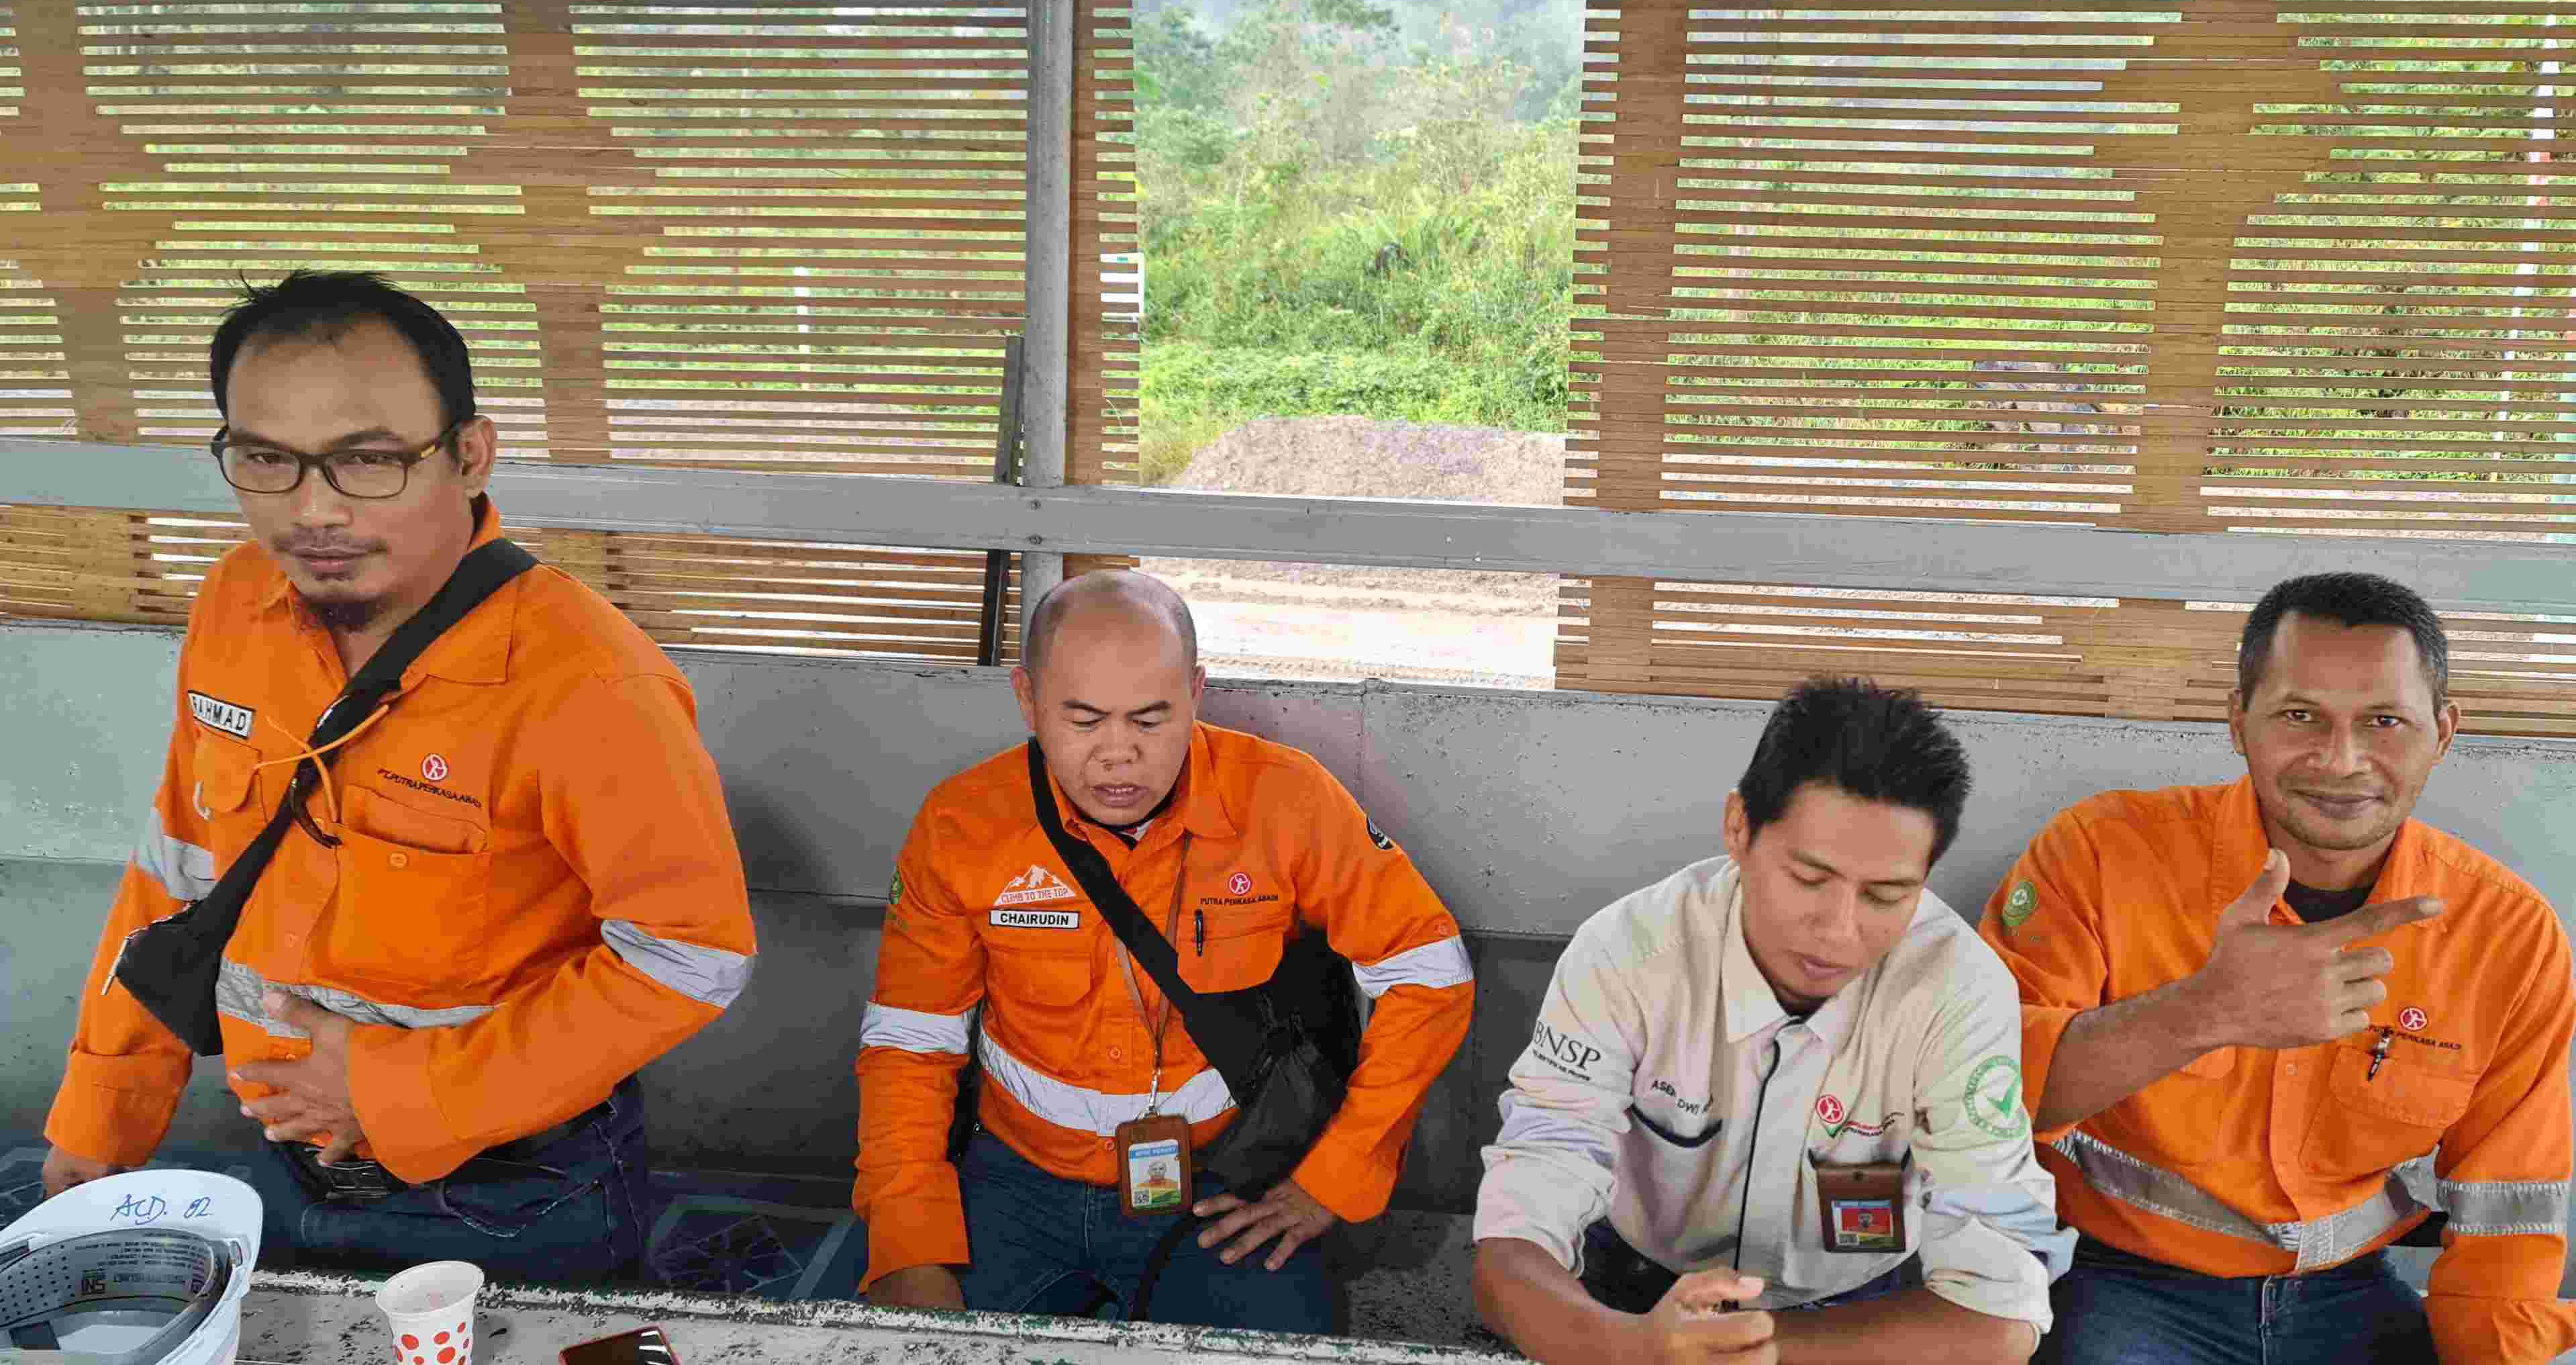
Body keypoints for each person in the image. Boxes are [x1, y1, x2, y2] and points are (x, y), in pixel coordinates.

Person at [40, 271, 758, 1283]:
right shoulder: (237, 601)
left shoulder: (589, 682)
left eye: (368, 459)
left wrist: (400, 1092)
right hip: (278, 1154)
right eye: (266, 459)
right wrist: (105, 1112)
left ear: (469, 455)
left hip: (516, 1191)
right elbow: (182, 867)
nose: (313, 510)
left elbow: (691, 956)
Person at [854, 570, 1475, 1331]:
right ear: (1027, 698)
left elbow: (1428, 971)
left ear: (1196, 693)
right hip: (1012, 1185)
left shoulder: (1284, 800)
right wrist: (909, 1235)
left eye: (1151, 719)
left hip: (1219, 1186)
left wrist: (1335, 1176)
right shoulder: (962, 825)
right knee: (892, 1342)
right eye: (1083, 721)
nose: (1119, 756)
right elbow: (910, 1041)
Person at [1980, 573, 2576, 1364]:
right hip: (2124, 1284)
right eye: (2300, 715)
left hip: (2352, 1296)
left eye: (2384, 720)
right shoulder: (2097, 852)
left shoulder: (2507, 933)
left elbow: (2508, 1218)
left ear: (2441, 732)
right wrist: (2202, 1012)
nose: (2340, 759)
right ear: (2238, 722)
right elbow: (1977, 1097)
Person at [1475, 678, 2071, 1365]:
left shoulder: (1958, 991)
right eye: (1808, 878)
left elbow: (2002, 1314)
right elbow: (1512, 1243)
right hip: (1631, 1284)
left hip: (1859, 1311)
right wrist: (1634, 1346)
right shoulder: (1627, 954)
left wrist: (1736, 1351)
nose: (1838, 931)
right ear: (1739, 826)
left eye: (1886, 894)